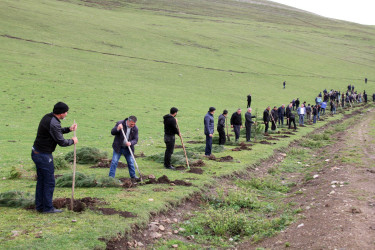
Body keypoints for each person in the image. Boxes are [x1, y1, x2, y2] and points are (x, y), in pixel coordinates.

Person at [32, 102, 78, 213]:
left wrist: (68, 129)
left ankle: (40, 206)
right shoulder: (53, 123)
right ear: (61, 113)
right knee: (49, 182)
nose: (66, 114)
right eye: (66, 112)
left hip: (37, 152)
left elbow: (55, 132)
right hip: (43, 155)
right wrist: (72, 141)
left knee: (42, 181)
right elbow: (61, 141)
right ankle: (47, 208)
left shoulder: (48, 117)